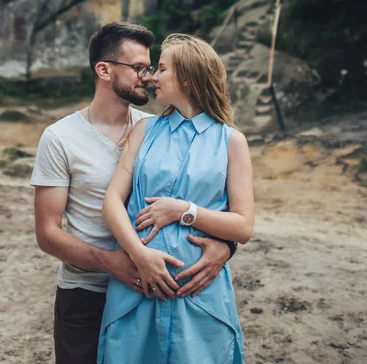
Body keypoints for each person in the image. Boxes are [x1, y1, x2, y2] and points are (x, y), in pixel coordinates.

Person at [31, 22, 233, 364]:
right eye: (139, 67)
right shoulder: (59, 138)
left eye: (151, 67)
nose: (148, 76)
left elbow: (205, 196)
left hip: (152, 291)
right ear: (104, 70)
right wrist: (117, 264)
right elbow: (48, 234)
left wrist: (226, 247)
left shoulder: (153, 130)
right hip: (86, 292)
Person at [99, 33, 254, 364]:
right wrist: (139, 254)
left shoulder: (232, 141)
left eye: (163, 69)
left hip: (197, 292)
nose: (153, 77)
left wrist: (185, 211)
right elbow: (112, 200)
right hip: (136, 287)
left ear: (188, 76)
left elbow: (242, 226)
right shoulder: (143, 130)